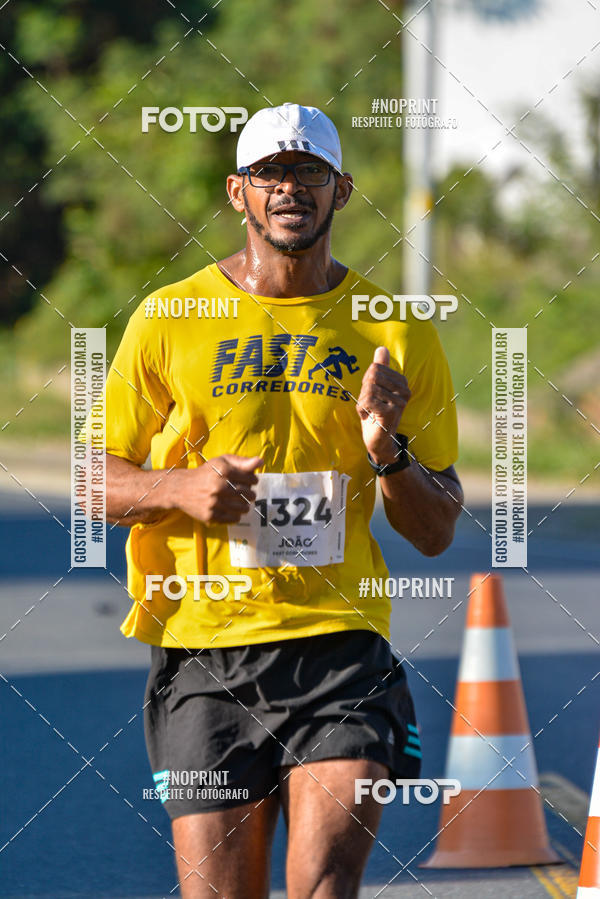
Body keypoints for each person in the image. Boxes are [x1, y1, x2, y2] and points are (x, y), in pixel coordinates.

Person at [104, 102, 463, 899]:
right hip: (207, 649)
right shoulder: (170, 318)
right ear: (239, 191)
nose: (290, 188)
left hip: (342, 645)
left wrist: (389, 453)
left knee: (324, 885)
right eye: (270, 172)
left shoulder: (395, 331)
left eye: (309, 172)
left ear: (342, 190)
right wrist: (182, 487)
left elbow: (436, 529)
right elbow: (91, 477)